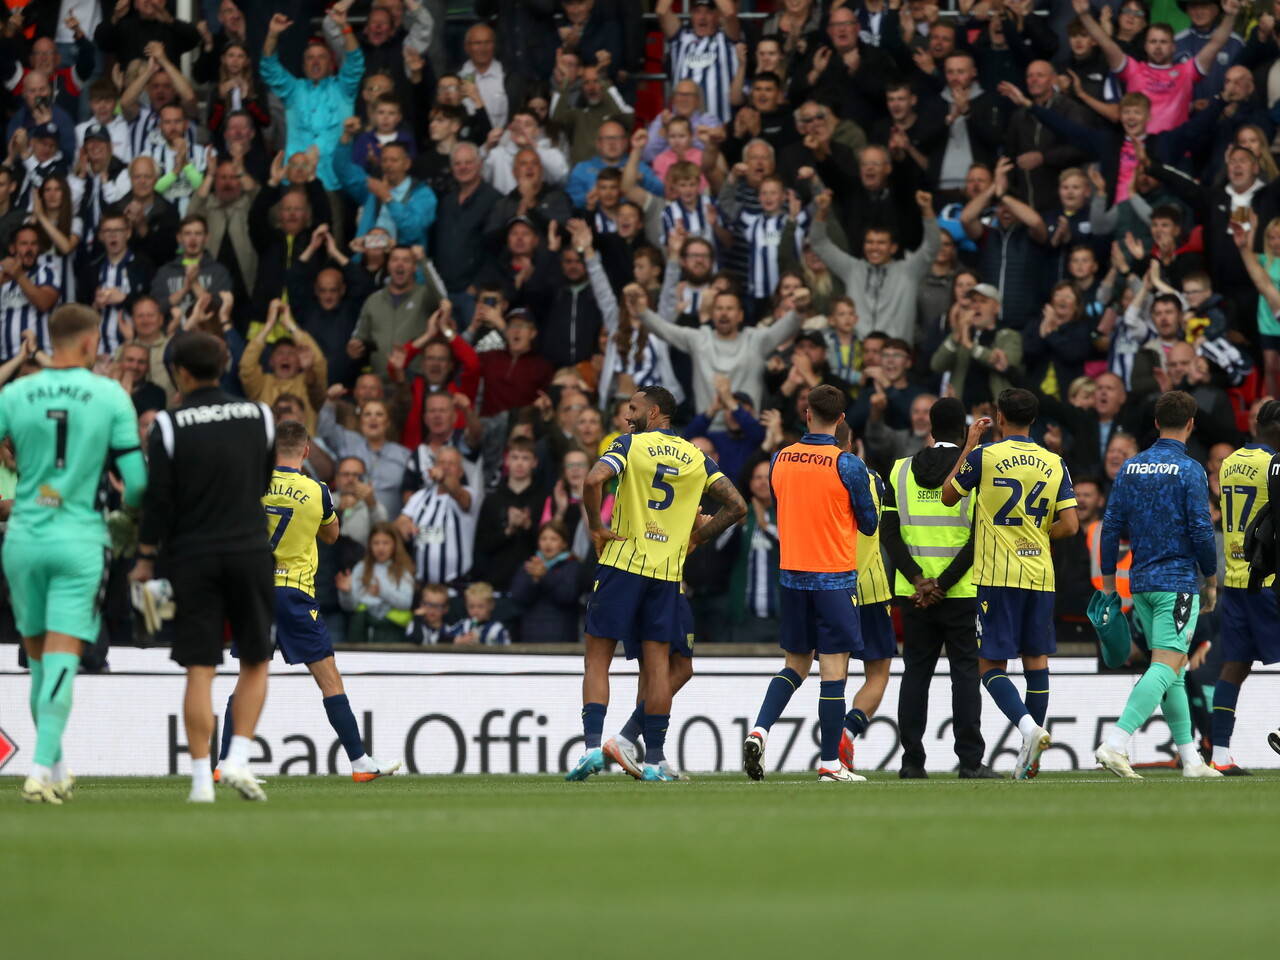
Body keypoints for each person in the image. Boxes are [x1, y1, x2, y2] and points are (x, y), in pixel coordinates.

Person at [1, 304, 147, 803]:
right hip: (80, 538)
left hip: (22, 539)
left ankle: (56, 765)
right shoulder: (109, 395)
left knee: (39, 658)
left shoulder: (15, 392)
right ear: (89, 344)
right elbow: (139, 485)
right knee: (64, 652)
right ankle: (40, 768)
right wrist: (130, 514)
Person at [570, 385, 746, 782]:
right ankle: (653, 762)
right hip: (667, 574)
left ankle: (591, 750)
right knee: (658, 670)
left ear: (654, 413)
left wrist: (597, 528)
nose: (626, 415)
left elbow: (594, 480)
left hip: (623, 563)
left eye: (633, 408)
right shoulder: (696, 457)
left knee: (597, 660)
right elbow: (737, 505)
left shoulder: (630, 444)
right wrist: (698, 537)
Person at [216, 420, 401, 782]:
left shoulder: (251, 483)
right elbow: (332, 536)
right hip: (294, 592)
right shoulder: (317, 490)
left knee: (248, 678)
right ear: (305, 451)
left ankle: (226, 763)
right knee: (329, 679)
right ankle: (360, 762)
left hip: (253, 591)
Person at [134, 333, 276, 803]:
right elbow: (263, 480)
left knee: (200, 668)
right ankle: (236, 757)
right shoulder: (261, 415)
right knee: (255, 658)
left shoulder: (169, 425)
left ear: (179, 373)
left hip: (194, 555)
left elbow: (157, 500)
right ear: (227, 364)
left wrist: (146, 557)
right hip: (250, 550)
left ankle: (200, 782)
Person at [941, 388, 1080, 780]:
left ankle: (1029, 730)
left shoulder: (985, 456)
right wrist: (1034, 537)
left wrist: (968, 446)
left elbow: (949, 496)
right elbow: (1070, 524)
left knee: (990, 666)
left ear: (1000, 417)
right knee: (1036, 660)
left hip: (998, 576)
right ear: (1032, 420)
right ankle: (1030, 753)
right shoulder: (1055, 462)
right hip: (1040, 574)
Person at [743, 384, 877, 783]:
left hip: (792, 575)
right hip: (833, 577)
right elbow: (869, 522)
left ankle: (759, 730)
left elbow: (781, 501)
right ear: (840, 420)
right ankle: (830, 764)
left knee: (796, 665)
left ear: (806, 414)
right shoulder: (847, 464)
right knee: (834, 671)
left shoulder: (780, 459)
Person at [1094, 390, 1221, 779]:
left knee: (1175, 672)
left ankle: (1192, 760)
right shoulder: (1190, 470)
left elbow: (1110, 528)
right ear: (1190, 424)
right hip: (1177, 583)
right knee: (1166, 668)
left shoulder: (1130, 467)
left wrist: (1110, 583)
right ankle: (1116, 743)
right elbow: (1202, 530)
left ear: (1155, 424)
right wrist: (1211, 579)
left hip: (1141, 583)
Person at [881, 397, 992, 779]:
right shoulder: (974, 471)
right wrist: (942, 584)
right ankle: (970, 762)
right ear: (963, 432)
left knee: (915, 675)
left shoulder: (899, 470)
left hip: (914, 595)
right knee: (964, 675)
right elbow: (979, 537)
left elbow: (889, 533)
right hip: (959, 592)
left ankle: (912, 761)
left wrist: (918, 581)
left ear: (929, 427)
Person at [1210, 402, 1280, 774]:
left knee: (1234, 667)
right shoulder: (1274, 465)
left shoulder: (1231, 461)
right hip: (1267, 579)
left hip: (1235, 579)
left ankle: (1220, 755)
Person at [835, 421, 896, 775]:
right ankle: (847, 732)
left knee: (834, 672)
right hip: (871, 585)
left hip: (831, 585)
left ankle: (832, 744)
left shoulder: (814, 478)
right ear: (852, 442)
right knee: (878, 672)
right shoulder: (873, 479)